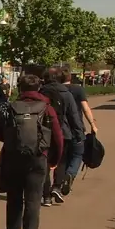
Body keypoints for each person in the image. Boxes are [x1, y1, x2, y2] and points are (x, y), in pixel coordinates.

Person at [1, 74, 63, 229]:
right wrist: (54, 160)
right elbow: (58, 137)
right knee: (33, 201)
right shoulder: (47, 108)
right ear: (39, 88)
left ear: (20, 88)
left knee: (14, 198)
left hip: (14, 158)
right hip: (38, 158)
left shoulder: (11, 107)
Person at [38, 66, 84, 206]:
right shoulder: (66, 93)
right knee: (62, 160)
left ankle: (46, 196)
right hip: (63, 132)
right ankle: (57, 187)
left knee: (44, 163)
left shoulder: (41, 92)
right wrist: (79, 133)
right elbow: (73, 115)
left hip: (44, 132)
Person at [62, 69, 98, 195]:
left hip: (59, 128)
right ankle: (70, 174)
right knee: (77, 154)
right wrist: (92, 124)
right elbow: (85, 108)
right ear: (70, 78)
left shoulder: (55, 90)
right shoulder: (78, 89)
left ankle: (60, 182)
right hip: (76, 127)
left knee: (63, 156)